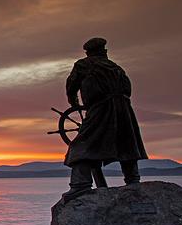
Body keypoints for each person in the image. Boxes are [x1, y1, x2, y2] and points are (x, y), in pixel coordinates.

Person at [62, 37, 148, 202]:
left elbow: (71, 85)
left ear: (88, 53)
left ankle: (80, 185)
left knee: (82, 144)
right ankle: (133, 180)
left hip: (101, 108)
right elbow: (127, 88)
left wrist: (74, 101)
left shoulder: (83, 65)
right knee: (126, 143)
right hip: (123, 108)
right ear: (104, 52)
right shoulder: (116, 68)